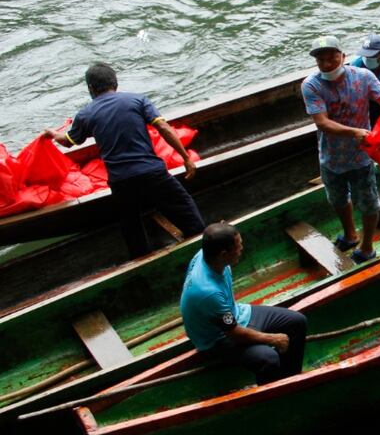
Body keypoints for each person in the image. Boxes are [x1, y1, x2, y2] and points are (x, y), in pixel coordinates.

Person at [42, 62, 204, 258]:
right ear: (115, 83)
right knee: (190, 218)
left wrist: (53, 134)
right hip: (152, 173)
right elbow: (164, 128)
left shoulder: (86, 114)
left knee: (132, 229)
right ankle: (200, 247)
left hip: (121, 182)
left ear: (91, 88)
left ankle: (142, 260)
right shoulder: (137, 100)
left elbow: (68, 142)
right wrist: (186, 158)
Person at [302, 35, 380, 264]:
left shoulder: (363, 76)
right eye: (321, 60)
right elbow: (322, 122)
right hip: (331, 156)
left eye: (332, 58)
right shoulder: (311, 85)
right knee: (337, 198)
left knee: (368, 202)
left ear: (343, 56)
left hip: (362, 155)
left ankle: (367, 246)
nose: (327, 64)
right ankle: (350, 234)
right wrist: (354, 132)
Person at [180, 222, 307, 385]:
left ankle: (290, 380)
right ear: (223, 254)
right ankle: (272, 392)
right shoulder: (208, 292)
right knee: (268, 359)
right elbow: (234, 333)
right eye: (238, 246)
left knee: (298, 322)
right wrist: (273, 339)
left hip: (237, 314)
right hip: (217, 338)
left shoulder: (206, 254)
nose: (241, 249)